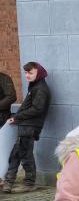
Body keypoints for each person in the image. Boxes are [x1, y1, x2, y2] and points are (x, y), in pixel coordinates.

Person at [3, 62, 50, 192]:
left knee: (23, 154)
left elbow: (37, 109)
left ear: (38, 73)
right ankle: (10, 182)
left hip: (30, 126)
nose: (27, 75)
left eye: (30, 73)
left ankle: (27, 183)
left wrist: (17, 117)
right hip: (26, 125)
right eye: (26, 73)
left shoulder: (40, 89)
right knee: (19, 153)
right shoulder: (35, 87)